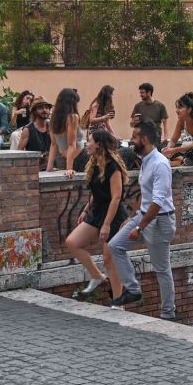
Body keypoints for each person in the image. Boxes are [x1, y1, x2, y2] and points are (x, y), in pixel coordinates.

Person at [109, 120, 177, 318]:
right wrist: (132, 217)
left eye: (134, 137)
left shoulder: (160, 164)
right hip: (144, 216)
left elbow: (157, 202)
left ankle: (168, 313)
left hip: (160, 221)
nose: (131, 141)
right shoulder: (146, 160)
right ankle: (133, 289)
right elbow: (146, 196)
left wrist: (139, 228)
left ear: (145, 139)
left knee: (162, 269)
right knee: (115, 245)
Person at [65, 128, 131, 300]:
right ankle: (96, 276)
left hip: (114, 215)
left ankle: (119, 302)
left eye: (90, 141)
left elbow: (116, 197)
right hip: (97, 211)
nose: (87, 144)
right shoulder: (94, 163)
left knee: (110, 261)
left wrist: (107, 224)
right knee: (72, 242)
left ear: (99, 144)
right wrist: (86, 208)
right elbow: (98, 191)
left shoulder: (113, 166)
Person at [47, 87, 87, 175]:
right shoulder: (72, 117)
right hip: (80, 157)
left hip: (74, 158)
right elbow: (71, 144)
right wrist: (69, 168)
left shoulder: (53, 118)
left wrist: (49, 167)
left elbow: (54, 144)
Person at [21, 96, 53, 166]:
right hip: (34, 168)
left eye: (46, 108)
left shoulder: (52, 128)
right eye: (41, 108)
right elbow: (19, 152)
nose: (44, 110)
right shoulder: (27, 130)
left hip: (51, 167)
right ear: (34, 111)